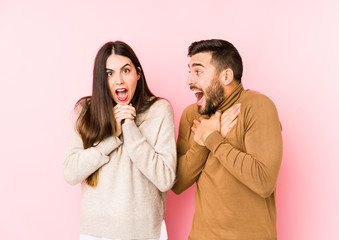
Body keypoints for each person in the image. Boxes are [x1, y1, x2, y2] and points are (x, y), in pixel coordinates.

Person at [63, 41, 176, 240]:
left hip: (145, 234)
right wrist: (112, 136)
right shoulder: (87, 110)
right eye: (109, 73)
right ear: (101, 79)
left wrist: (129, 127)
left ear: (138, 74)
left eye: (125, 70)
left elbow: (165, 178)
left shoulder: (159, 110)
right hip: (96, 233)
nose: (119, 81)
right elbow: (71, 172)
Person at [172, 39, 283, 239]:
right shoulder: (192, 115)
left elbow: (264, 181)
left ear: (226, 76)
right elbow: (178, 183)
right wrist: (201, 142)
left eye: (198, 72)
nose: (189, 80)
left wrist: (213, 139)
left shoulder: (257, 106)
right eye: (189, 72)